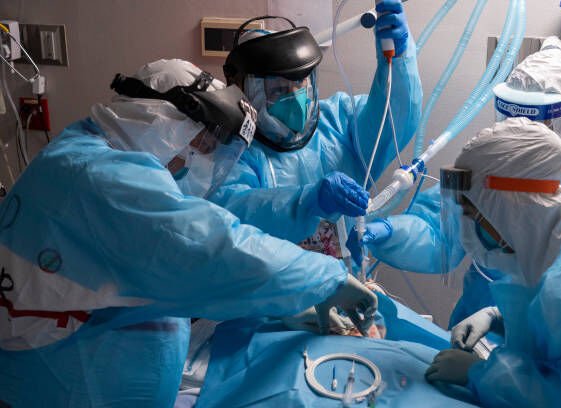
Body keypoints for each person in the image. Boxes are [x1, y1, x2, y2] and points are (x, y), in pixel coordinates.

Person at [0, 59, 377, 407]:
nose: (200, 162)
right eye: (201, 147)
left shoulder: (86, 148)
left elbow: (167, 259)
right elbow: (209, 246)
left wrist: (283, 295)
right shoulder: (105, 181)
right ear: (160, 120)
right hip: (62, 386)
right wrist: (326, 279)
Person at [347, 35, 561, 327]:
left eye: (532, 121)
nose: (517, 130)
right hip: (477, 322)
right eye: (509, 116)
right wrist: (389, 232)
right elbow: (442, 230)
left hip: (550, 342)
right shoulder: (490, 165)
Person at [424, 118, 561, 407]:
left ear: (512, 210)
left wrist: (480, 373)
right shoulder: (551, 238)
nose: (468, 231)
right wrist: (498, 317)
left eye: (474, 215)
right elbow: (555, 331)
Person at [210, 0, 422, 249]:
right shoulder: (232, 149)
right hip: (271, 285)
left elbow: (393, 117)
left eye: (300, 83)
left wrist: (397, 59)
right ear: (247, 92)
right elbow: (232, 212)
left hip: (345, 278)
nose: (295, 95)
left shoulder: (339, 120)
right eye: (278, 89)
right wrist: (308, 201)